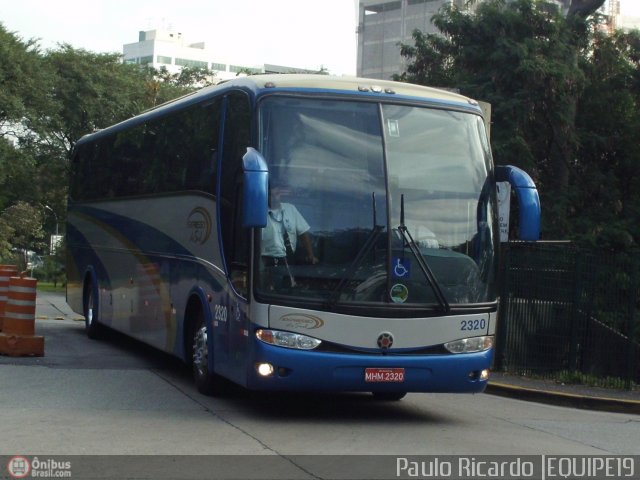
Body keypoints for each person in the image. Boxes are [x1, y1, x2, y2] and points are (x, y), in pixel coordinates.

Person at [261, 180, 318, 268]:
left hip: (288, 259)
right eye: (271, 195)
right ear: (265, 195)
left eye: (277, 194)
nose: (275, 197)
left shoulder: (290, 209)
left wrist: (311, 255)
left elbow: (303, 233)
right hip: (265, 261)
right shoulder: (259, 212)